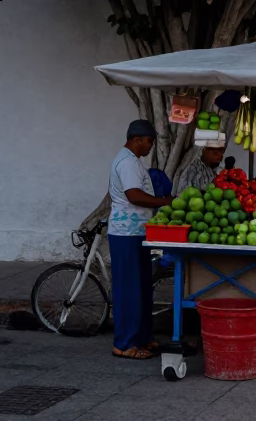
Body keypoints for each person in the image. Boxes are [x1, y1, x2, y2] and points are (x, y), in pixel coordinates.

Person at [108, 119, 173, 360]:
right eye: (149, 142)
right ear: (137, 139)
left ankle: (143, 337)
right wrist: (166, 202)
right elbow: (134, 195)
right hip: (125, 234)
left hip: (137, 233)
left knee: (142, 288)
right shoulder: (126, 162)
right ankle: (124, 344)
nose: (150, 147)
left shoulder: (134, 161)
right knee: (129, 290)